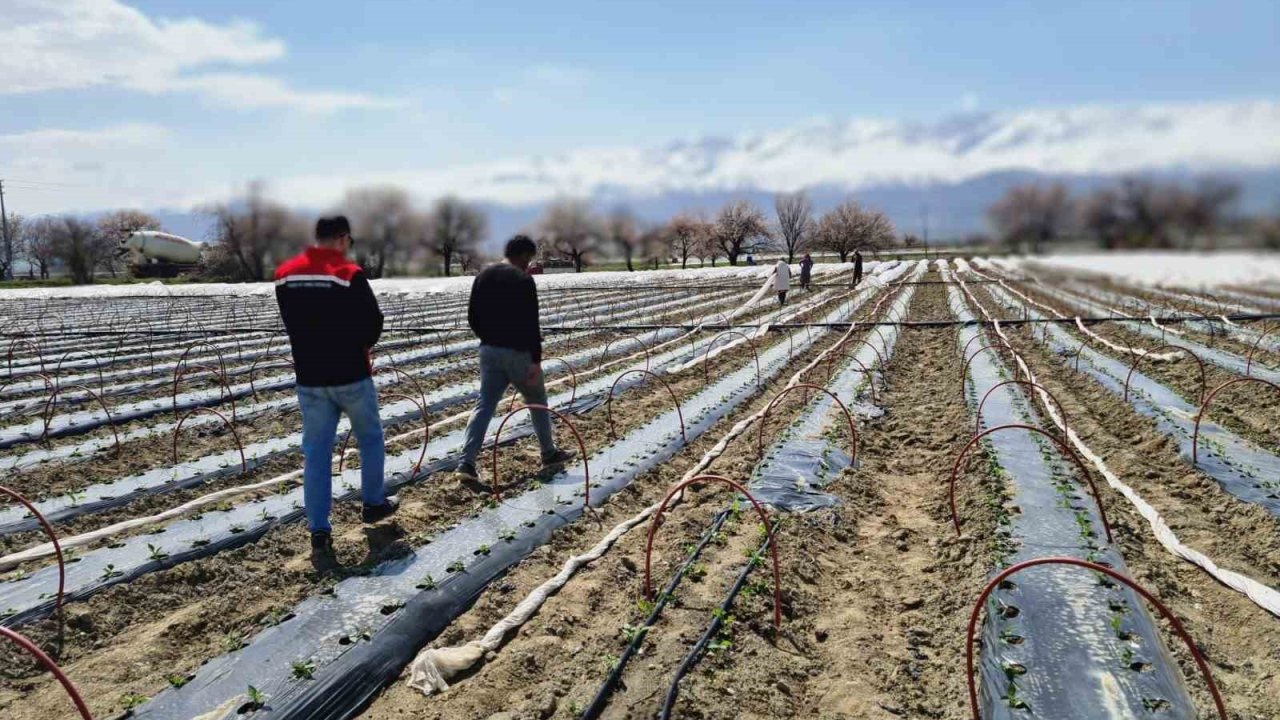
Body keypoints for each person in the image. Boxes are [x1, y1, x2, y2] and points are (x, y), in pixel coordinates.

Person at [274, 215, 397, 561]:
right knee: (370, 438)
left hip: (310, 378)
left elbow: (292, 324)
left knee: (315, 453)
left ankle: (319, 529)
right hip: (350, 375)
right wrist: (355, 342)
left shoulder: (285, 275)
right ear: (342, 239)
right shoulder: (349, 274)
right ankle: (373, 503)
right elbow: (373, 323)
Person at [455, 235, 574, 482]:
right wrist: (535, 362)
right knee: (536, 399)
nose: (529, 264)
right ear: (521, 256)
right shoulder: (523, 280)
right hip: (518, 352)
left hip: (489, 351)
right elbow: (531, 324)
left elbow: (472, 318)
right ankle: (548, 452)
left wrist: (487, 338)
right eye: (528, 259)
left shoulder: (482, 277)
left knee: (485, 404)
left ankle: (466, 463)